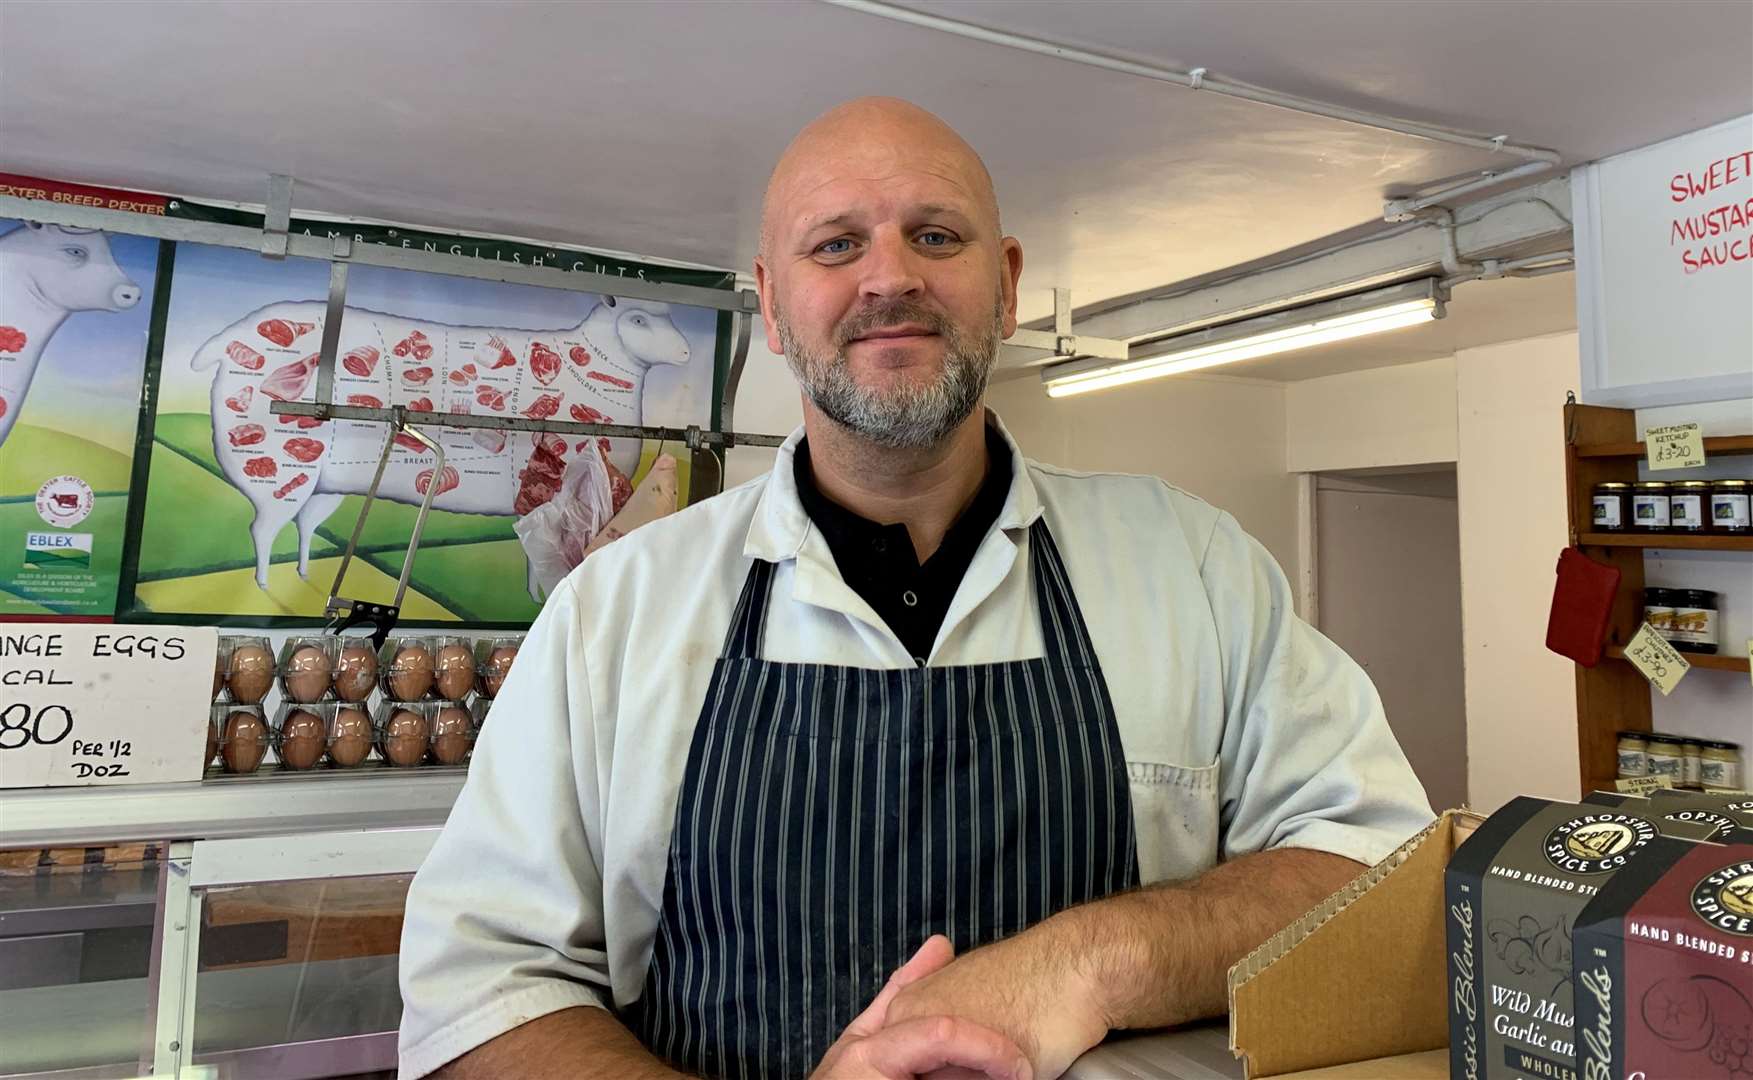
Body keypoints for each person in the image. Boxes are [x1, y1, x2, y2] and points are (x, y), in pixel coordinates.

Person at [397, 97, 1434, 1080]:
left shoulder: (1194, 568)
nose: (888, 278)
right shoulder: (614, 612)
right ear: (769, 301)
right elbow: (479, 996)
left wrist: (1091, 958)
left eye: (935, 236)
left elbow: (1380, 874)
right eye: (835, 244)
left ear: (1009, 282)